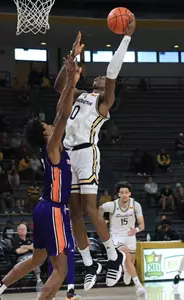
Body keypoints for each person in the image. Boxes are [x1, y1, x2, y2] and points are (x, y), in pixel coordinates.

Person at [0, 55, 80, 300]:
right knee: (61, 267)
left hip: (43, 208)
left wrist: (70, 79)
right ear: (46, 133)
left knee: (38, 258)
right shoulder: (53, 147)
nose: (51, 124)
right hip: (54, 210)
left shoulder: (51, 147)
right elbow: (64, 114)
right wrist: (69, 81)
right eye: (48, 125)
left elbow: (60, 112)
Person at [54, 23, 136, 290]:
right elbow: (59, 86)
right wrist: (72, 58)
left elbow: (112, 72)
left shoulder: (104, 101)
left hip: (87, 154)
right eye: (99, 76)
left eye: (103, 78)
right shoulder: (80, 94)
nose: (100, 76)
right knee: (73, 213)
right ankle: (90, 263)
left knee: (90, 208)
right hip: (69, 154)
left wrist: (126, 38)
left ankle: (113, 257)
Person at [99, 182, 146, 296]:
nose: (124, 194)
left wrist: (135, 230)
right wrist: (101, 220)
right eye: (122, 192)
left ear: (130, 193)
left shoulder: (136, 205)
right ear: (118, 194)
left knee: (131, 261)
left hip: (130, 236)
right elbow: (100, 209)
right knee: (126, 256)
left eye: (126, 192)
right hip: (116, 236)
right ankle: (138, 286)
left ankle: (127, 270)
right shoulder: (112, 205)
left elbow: (142, 225)